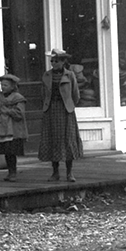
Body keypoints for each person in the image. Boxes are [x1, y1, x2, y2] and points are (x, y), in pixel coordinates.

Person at [39, 49, 82, 182]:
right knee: (53, 140)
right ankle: (55, 172)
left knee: (67, 140)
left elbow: (76, 95)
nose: (53, 63)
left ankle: (69, 173)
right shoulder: (46, 75)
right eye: (51, 61)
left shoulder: (70, 75)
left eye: (56, 61)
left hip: (65, 111)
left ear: (63, 62)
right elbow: (43, 94)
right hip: (51, 110)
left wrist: (69, 105)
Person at [0, 73, 27, 182]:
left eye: (5, 85)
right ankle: (10, 172)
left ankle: (13, 172)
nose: (3, 87)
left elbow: (20, 113)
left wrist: (6, 111)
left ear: (12, 86)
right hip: (2, 128)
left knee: (11, 152)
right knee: (6, 151)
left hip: (13, 129)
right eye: (1, 85)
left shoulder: (18, 98)